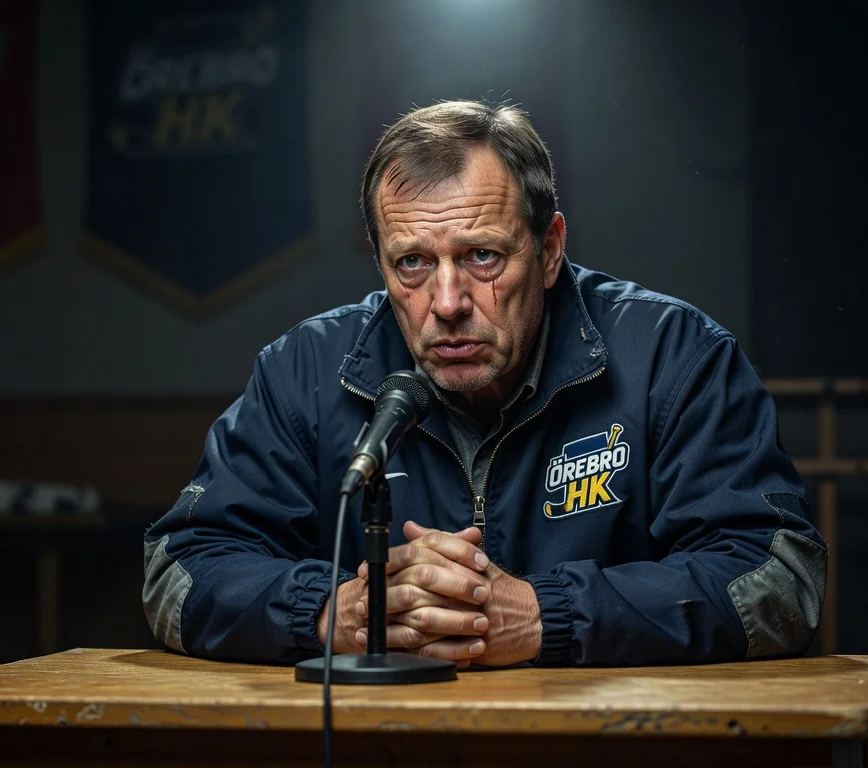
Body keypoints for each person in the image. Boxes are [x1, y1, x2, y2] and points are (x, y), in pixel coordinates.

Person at [143, 100, 826, 668]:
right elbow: (176, 570)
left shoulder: (674, 357)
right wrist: (332, 613)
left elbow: (779, 579)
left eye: (482, 256)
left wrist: (543, 616)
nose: (447, 301)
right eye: (412, 262)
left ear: (551, 247)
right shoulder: (304, 371)